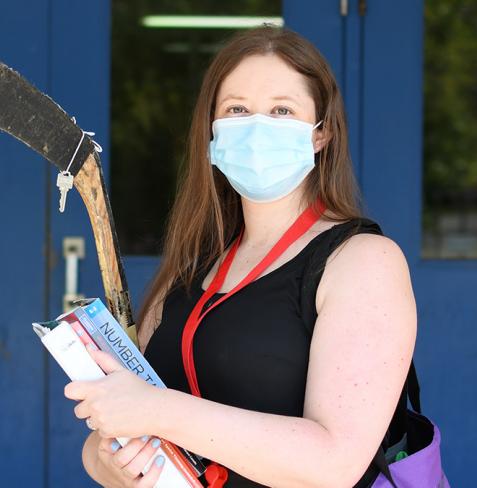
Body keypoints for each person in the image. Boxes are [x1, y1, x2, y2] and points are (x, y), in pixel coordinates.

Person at [65, 24, 417, 488]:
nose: (256, 127)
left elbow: (334, 464)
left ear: (321, 133)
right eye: (237, 109)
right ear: (212, 131)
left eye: (281, 110)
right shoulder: (192, 269)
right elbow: (106, 442)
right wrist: (108, 463)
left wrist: (159, 411)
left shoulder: (362, 262)